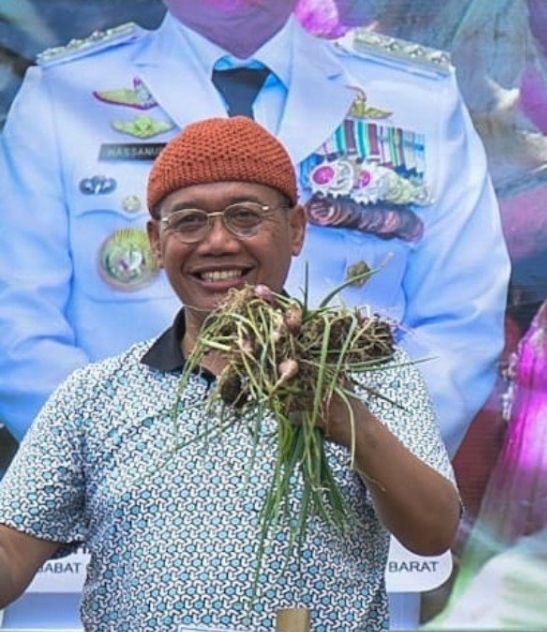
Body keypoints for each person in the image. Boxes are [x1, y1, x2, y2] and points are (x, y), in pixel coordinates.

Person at [0, 117, 461, 632]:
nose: (217, 242)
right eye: (188, 222)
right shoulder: (97, 396)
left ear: (297, 229)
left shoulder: (368, 373)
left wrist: (340, 417)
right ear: (156, 243)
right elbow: (10, 559)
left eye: (246, 216)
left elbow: (432, 529)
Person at [0, 0, 509, 456]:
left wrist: (359, 456)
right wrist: (128, 467)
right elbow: (17, 320)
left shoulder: (414, 97)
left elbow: (460, 318)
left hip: (354, 502)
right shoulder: (64, 94)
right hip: (119, 499)